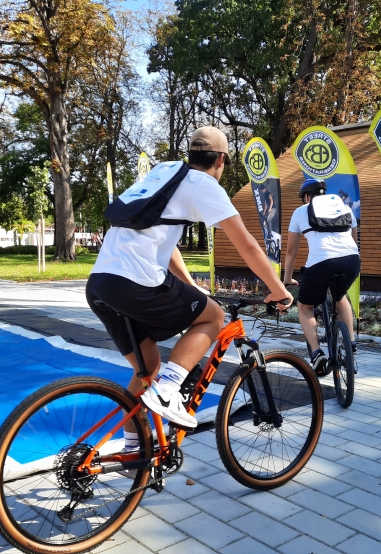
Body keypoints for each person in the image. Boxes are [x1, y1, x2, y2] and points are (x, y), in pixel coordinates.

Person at [86, 126, 293, 435]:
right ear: (221, 160)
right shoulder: (203, 184)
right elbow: (247, 245)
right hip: (137, 281)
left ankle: (134, 449)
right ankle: (168, 390)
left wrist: (190, 285)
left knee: (148, 368)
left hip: (101, 283)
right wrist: (279, 289)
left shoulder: (165, 174)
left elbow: (164, 244)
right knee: (213, 317)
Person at [283, 178, 360, 370]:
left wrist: (287, 278)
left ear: (307, 197)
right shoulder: (345, 208)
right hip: (351, 260)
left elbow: (291, 251)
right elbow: (354, 239)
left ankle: (317, 353)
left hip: (321, 263)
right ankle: (351, 343)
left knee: (305, 306)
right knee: (339, 296)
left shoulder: (301, 211)